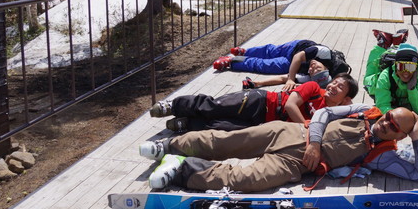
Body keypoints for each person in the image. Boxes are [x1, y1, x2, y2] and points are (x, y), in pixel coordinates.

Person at [139, 104, 418, 192]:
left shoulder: (384, 155)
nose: (386, 124)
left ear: (400, 135)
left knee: (247, 180)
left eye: (393, 126)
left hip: (296, 164)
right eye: (389, 117)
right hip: (290, 132)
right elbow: (323, 113)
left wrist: (416, 138)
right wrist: (314, 142)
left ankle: (181, 169)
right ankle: (169, 145)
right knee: (227, 142)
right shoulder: (367, 111)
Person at [149, 73, 358, 132]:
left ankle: (186, 124)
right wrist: (306, 126)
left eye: (340, 87)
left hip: (263, 123)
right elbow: (290, 106)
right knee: (217, 106)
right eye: (334, 82)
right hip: (262, 102)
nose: (332, 87)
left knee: (224, 128)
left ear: (346, 99)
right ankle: (174, 105)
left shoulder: (333, 116)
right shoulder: (314, 89)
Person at [212, 40, 351, 92]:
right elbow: (298, 57)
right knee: (270, 51)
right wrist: (292, 78)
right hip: (296, 48)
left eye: (312, 71)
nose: (313, 66)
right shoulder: (325, 53)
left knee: (266, 66)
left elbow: (282, 79)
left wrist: (258, 83)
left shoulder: (312, 78)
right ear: (326, 68)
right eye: (317, 68)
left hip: (292, 64)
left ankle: (231, 61)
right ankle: (245, 51)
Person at [363, 43, 418, 116]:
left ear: (416, 68)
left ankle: (395, 43)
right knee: (368, 78)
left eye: (410, 67)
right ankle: (380, 46)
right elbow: (382, 105)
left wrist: (412, 89)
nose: (406, 72)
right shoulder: (385, 76)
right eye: (401, 67)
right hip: (375, 83)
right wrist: (398, 117)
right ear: (395, 67)